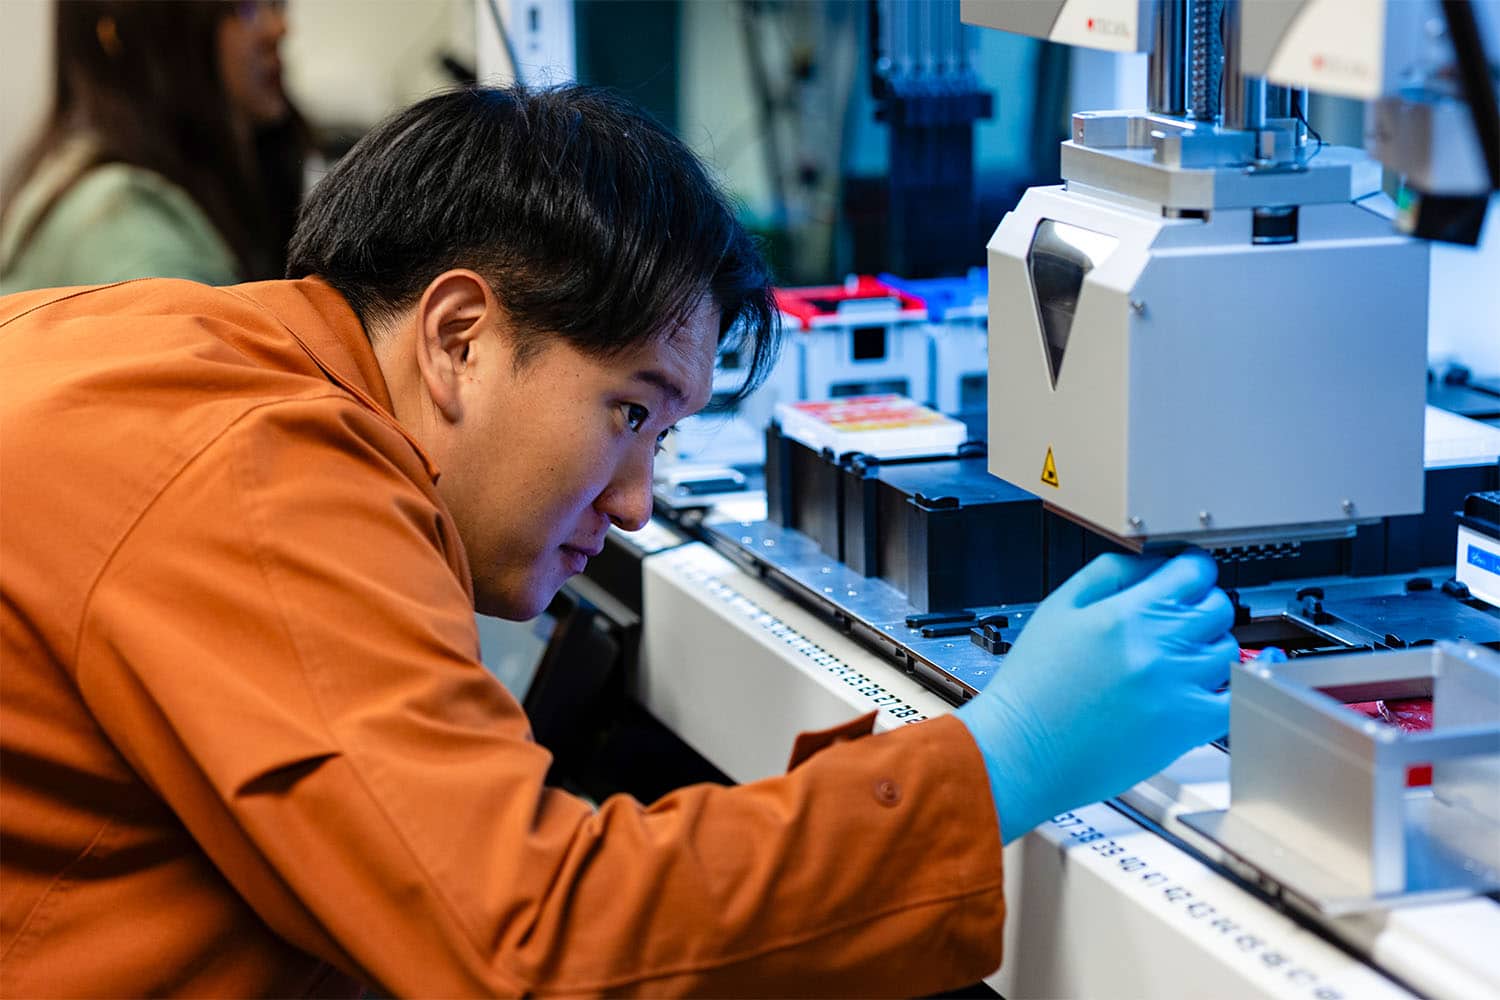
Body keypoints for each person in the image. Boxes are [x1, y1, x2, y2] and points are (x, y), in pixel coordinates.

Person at [0, 85, 1239, 997]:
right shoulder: (263, 470)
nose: (639, 500)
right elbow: (530, 938)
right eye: (631, 412)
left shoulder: (147, 342)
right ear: (460, 338)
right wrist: (1002, 759)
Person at [0, 0, 305, 293]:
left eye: (273, 2)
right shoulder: (126, 224)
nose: (278, 28)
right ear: (152, 25)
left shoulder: (104, 185)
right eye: (245, 8)